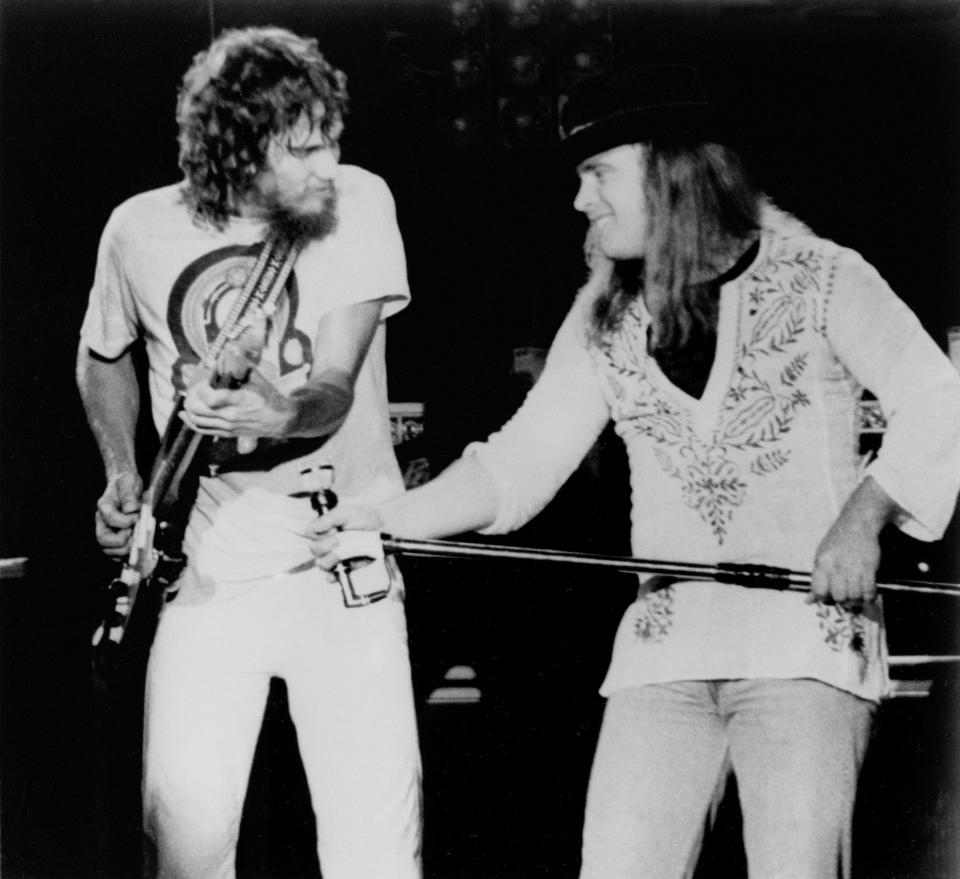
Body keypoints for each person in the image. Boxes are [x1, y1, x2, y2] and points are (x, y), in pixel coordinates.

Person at [310, 65, 960, 878]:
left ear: (669, 170)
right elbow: (518, 466)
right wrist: (386, 519)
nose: (580, 200)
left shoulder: (826, 276)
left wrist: (863, 518)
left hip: (806, 645)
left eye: (597, 174)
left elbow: (942, 401)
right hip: (664, 650)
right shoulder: (603, 314)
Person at [76, 26, 421, 879]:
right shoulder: (137, 230)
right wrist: (124, 472)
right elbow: (102, 352)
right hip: (207, 576)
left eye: (331, 138)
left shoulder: (358, 202)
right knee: (185, 845)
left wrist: (274, 412)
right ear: (237, 147)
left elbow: (334, 384)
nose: (327, 164)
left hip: (343, 571)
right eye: (303, 148)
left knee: (375, 850)